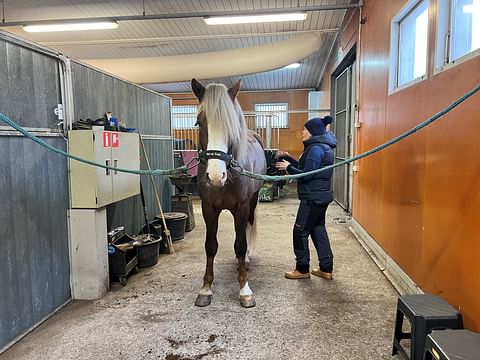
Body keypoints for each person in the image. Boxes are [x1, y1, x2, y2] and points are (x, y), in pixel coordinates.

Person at [275, 115, 336, 280]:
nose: (302, 132)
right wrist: (288, 158)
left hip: (312, 198)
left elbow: (306, 175)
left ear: (313, 132)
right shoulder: (322, 147)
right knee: (317, 230)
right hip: (321, 195)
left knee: (300, 231)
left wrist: (289, 168)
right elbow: (307, 167)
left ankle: (302, 269)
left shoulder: (316, 148)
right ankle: (326, 268)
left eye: (305, 129)